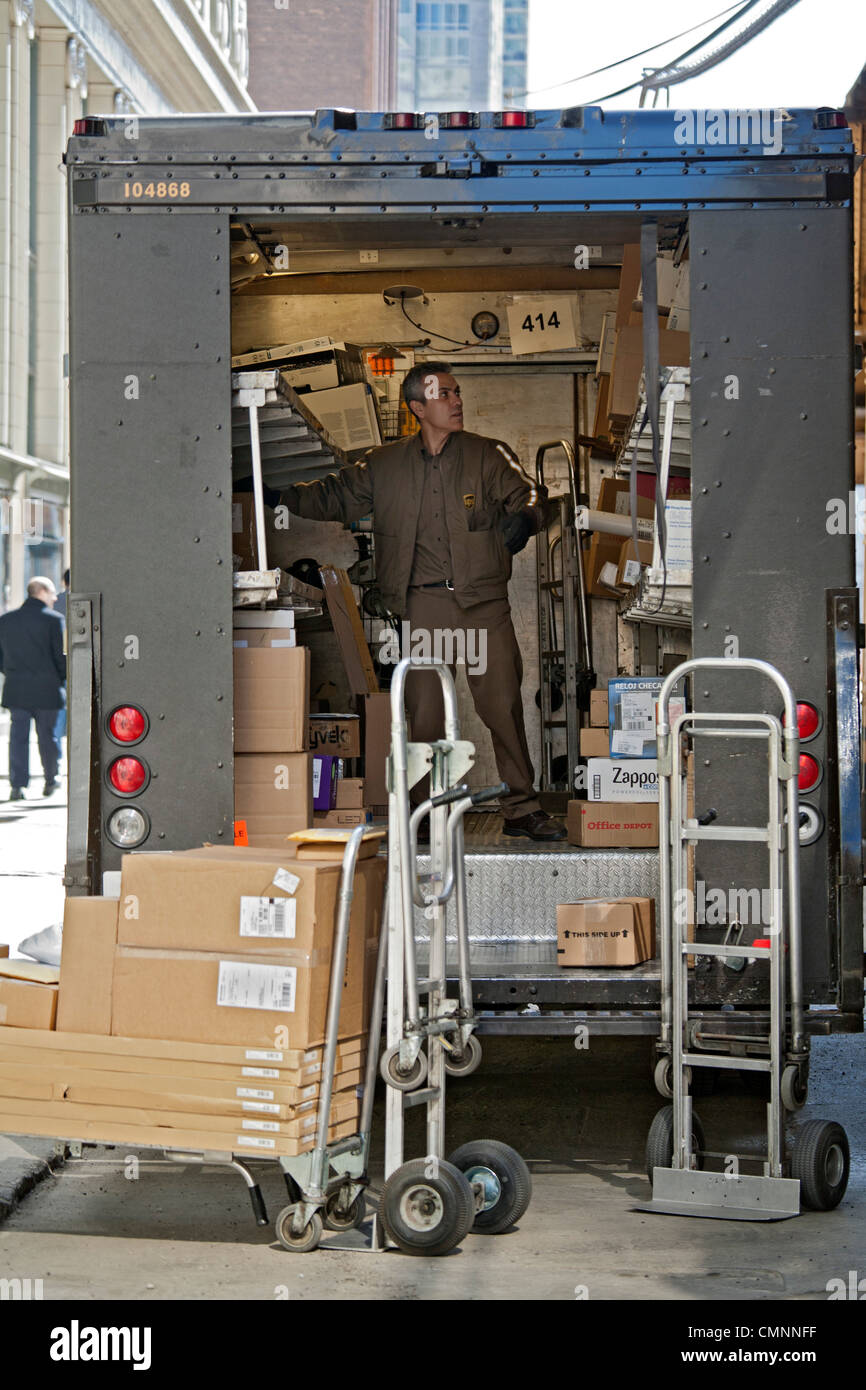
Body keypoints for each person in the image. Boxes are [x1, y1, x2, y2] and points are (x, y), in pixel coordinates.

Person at [274, 362, 565, 841]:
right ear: (416, 407)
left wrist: (529, 519)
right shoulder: (383, 465)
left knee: (502, 705)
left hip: (483, 604)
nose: (456, 401)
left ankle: (521, 807)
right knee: (424, 713)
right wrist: (275, 494)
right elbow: (336, 496)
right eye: (444, 394)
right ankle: (424, 810)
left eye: (457, 392)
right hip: (423, 606)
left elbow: (529, 493)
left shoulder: (488, 455)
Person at [0, 576, 66, 800]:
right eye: (52, 593)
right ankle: (51, 779)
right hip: (47, 688)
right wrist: (62, 678)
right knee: (47, 736)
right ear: (42, 592)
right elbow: (60, 657)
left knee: (18, 737)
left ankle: (17, 786)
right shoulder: (54, 620)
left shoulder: (6, 620)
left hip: (16, 688)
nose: (56, 597)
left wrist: (11, 672)